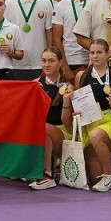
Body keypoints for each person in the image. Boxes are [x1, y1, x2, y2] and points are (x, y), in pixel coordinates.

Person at [68, 39, 111, 192]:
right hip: (88, 122)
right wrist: (75, 111)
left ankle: (108, 177)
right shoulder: (81, 76)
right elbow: (77, 101)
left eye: (99, 52)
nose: (95, 56)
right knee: (94, 178)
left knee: (96, 136)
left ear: (107, 54)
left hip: (108, 120)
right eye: (92, 53)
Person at [29, 47, 74, 190]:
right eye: (43, 61)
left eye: (51, 61)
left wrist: (66, 101)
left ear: (60, 62)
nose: (46, 65)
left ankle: (47, 175)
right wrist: (32, 95)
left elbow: (67, 123)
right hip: (41, 133)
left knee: (42, 127)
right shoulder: (35, 84)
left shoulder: (68, 86)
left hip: (63, 133)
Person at [5, 0, 52, 80]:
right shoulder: (8, 4)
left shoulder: (45, 3)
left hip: (39, 63)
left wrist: (50, 56)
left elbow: (49, 32)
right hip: (15, 64)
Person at [52, 0, 93, 83]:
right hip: (69, 60)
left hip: (91, 59)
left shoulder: (94, 4)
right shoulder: (61, 6)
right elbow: (56, 39)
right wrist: (64, 67)